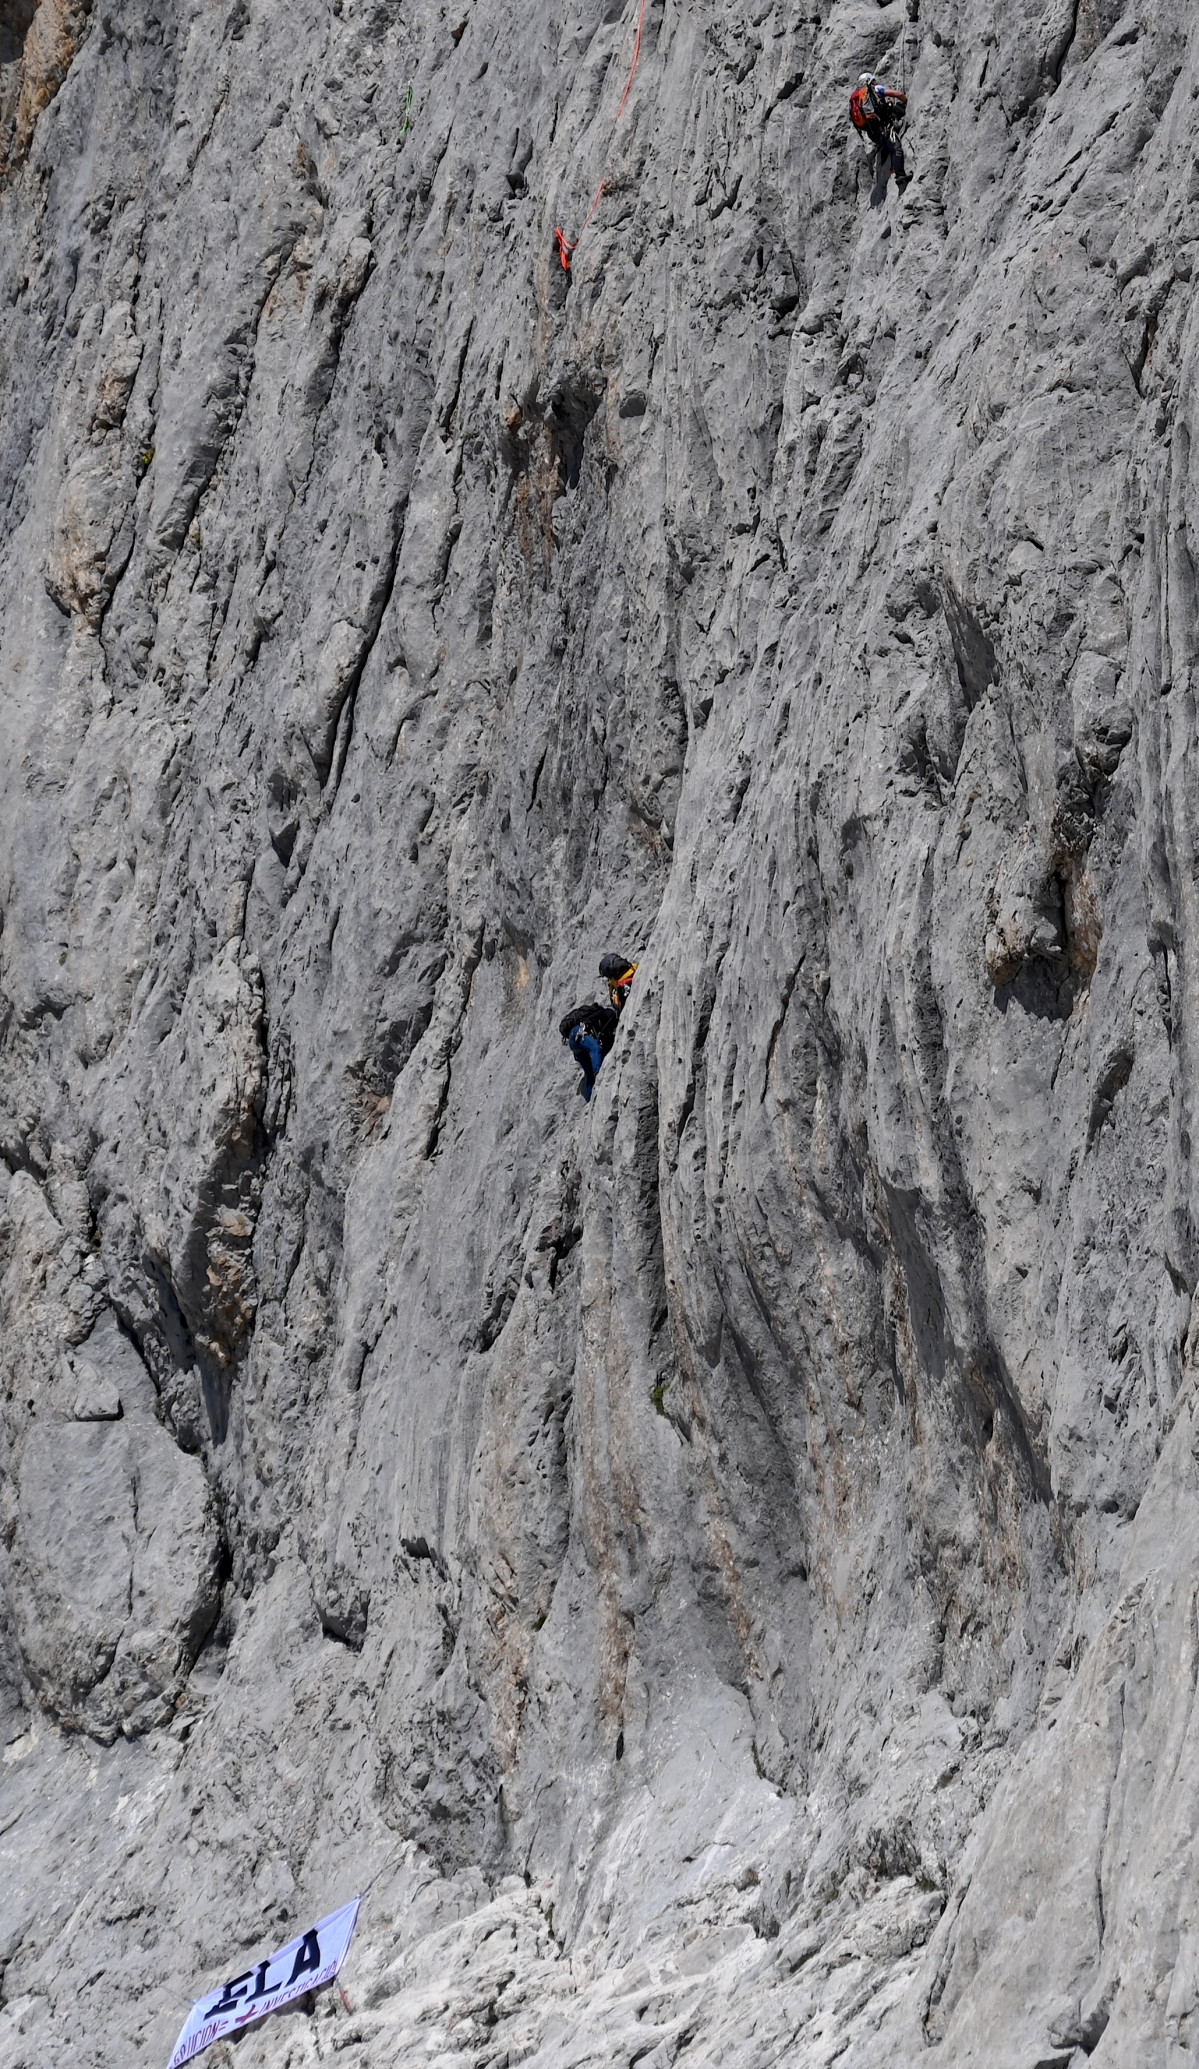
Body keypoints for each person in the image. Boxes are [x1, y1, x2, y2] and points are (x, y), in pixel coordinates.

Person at [849, 73, 910, 191]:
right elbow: (899, 94)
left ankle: (885, 150)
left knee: (888, 143)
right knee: (896, 148)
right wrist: (907, 102)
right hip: (882, 127)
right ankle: (900, 176)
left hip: (873, 132)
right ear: (870, 81)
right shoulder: (875, 89)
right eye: (874, 80)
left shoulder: (858, 99)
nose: (876, 82)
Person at [560, 1001, 620, 1102]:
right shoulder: (608, 1014)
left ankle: (589, 1101)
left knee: (588, 1073)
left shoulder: (597, 1015)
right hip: (579, 1032)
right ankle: (599, 1076)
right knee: (596, 1048)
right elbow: (600, 1046)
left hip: (574, 1039)